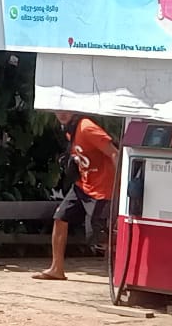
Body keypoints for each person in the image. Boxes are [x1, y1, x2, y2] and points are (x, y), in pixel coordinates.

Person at [33, 111, 118, 281]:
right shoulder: (69, 129)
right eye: (58, 110)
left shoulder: (86, 127)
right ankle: (57, 268)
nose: (62, 114)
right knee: (60, 217)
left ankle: (119, 272)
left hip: (102, 189)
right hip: (82, 186)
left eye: (66, 109)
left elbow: (115, 153)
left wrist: (120, 185)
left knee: (100, 236)